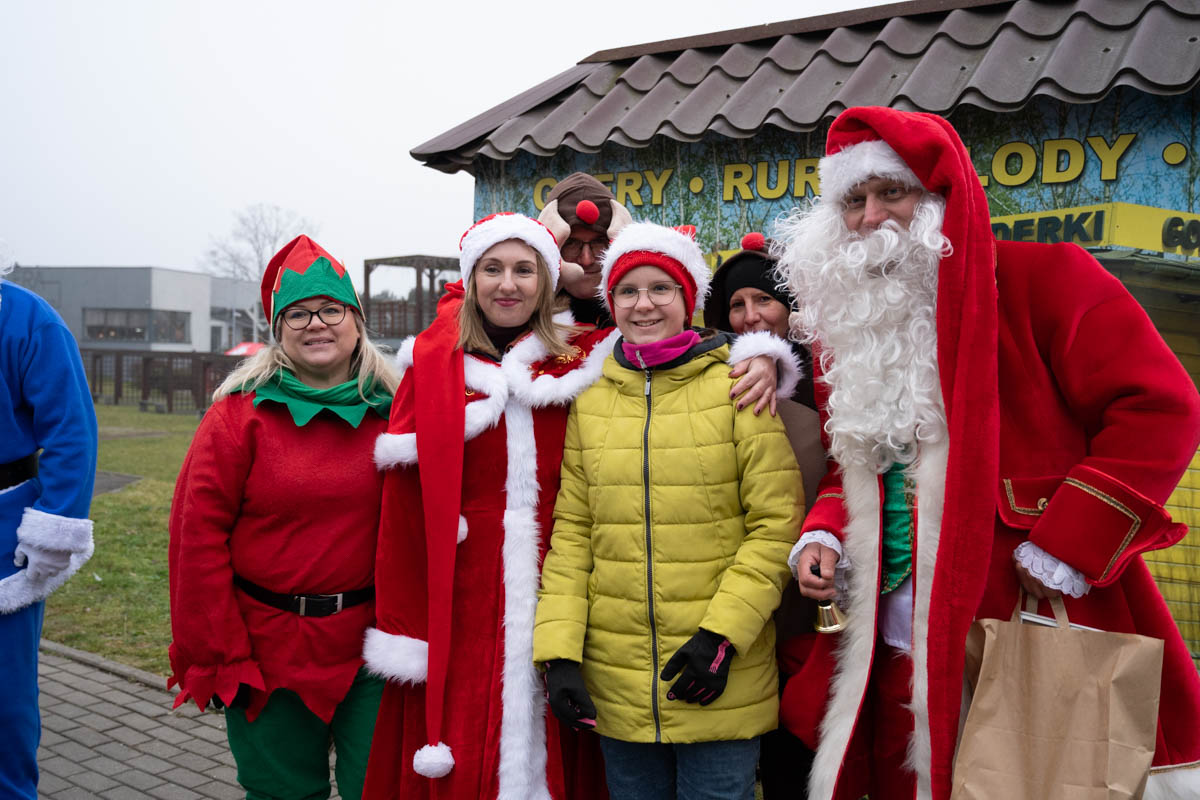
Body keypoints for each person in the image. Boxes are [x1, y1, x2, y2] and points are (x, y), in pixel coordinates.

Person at [773, 106, 1200, 799]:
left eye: (892, 192)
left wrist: (1069, 542)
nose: (872, 216)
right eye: (854, 200)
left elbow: (1160, 407)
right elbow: (855, 464)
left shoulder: (1045, 277)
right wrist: (824, 531)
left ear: (941, 198)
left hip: (1020, 617)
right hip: (886, 640)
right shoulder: (849, 328)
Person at [533, 222, 802, 800]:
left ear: (688, 298)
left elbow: (775, 525)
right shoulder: (592, 398)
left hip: (718, 676)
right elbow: (573, 533)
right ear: (611, 302)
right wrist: (559, 653)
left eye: (661, 288)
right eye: (628, 291)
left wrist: (721, 637)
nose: (644, 304)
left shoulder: (739, 385)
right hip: (618, 685)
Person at [362, 213, 615, 800]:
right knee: (465, 742)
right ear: (471, 280)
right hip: (462, 596)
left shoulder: (585, 359)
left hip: (562, 580)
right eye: (492, 269)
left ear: (546, 281)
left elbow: (670, 339)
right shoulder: (433, 366)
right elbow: (400, 511)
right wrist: (408, 625)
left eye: (524, 270)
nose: (508, 284)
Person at [168, 235, 399, 800]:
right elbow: (196, 541)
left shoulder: (397, 410)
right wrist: (219, 654)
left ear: (356, 320)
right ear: (278, 329)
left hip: (373, 648)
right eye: (297, 313)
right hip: (267, 649)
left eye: (330, 310)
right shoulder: (236, 418)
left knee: (382, 789)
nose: (315, 324)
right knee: (281, 793)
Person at [704, 232, 823, 800]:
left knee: (798, 736)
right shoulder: (714, 380)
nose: (750, 317)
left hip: (811, 583)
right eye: (736, 304)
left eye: (764, 300)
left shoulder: (830, 376)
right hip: (743, 586)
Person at [539, 172, 787, 415]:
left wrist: (759, 354)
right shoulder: (527, 327)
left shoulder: (645, 320)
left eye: (598, 244)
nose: (586, 258)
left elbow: (697, 343)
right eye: (571, 244)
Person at [0, 245, 97, 800]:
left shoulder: (29, 319)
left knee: (4, 706)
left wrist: (52, 528)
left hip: (1, 539)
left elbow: (71, 432)